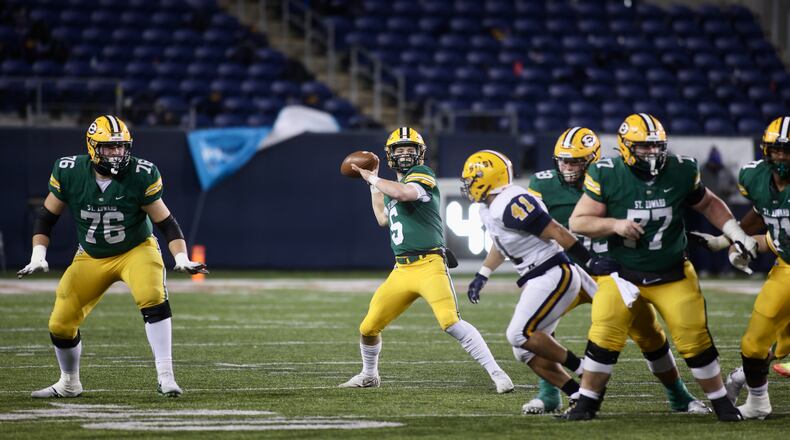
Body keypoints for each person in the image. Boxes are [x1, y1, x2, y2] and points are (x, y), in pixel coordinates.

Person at [564, 113, 757, 421]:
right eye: (643, 146)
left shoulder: (681, 169)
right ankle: (587, 403)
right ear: (626, 147)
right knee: (603, 335)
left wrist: (734, 233)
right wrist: (615, 225)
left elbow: (708, 203)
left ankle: (722, 403)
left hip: (672, 272)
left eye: (656, 146)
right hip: (622, 273)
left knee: (695, 340)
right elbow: (578, 221)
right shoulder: (607, 173)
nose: (652, 152)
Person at [519, 127, 708, 415]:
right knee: (536, 328)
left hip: (613, 273)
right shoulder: (543, 184)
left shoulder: (614, 177)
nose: (568, 168)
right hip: (570, 273)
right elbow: (533, 231)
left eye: (576, 161)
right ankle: (549, 393)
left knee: (650, 336)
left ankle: (679, 395)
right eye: (564, 161)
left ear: (593, 160)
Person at [17, 115, 208, 398]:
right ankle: (69, 383)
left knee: (152, 296)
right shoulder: (70, 171)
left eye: (121, 146)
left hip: (135, 249)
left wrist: (181, 258)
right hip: (91, 255)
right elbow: (46, 217)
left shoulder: (141, 173)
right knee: (60, 323)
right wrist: (38, 254)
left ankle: (166, 376)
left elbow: (167, 223)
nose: (117, 153)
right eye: (109, 147)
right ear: (93, 147)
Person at [339, 127, 514, 393]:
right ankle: (369, 375)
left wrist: (373, 178)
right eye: (400, 149)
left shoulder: (421, 174)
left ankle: (498, 373)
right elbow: (383, 219)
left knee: (450, 322)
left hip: (429, 265)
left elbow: (405, 193)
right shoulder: (390, 187)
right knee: (368, 327)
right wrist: (374, 186)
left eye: (410, 149)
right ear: (390, 154)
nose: (405, 154)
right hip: (401, 269)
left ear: (420, 153)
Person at [461, 149, 609, 412]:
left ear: (487, 178)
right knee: (524, 351)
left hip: (553, 271)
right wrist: (482, 275)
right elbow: (501, 244)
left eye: (472, 179)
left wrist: (588, 261)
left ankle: (585, 369)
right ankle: (578, 394)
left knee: (519, 333)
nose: (468, 185)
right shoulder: (488, 207)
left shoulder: (510, 201)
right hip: (536, 276)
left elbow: (556, 230)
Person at [695, 116, 790, 419]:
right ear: (766, 150)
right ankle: (756, 399)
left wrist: (755, 244)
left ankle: (742, 377)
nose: (782, 157)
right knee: (753, 344)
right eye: (777, 150)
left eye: (788, 151)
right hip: (786, 267)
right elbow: (762, 212)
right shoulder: (755, 177)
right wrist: (729, 241)